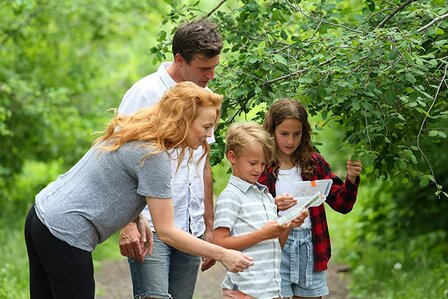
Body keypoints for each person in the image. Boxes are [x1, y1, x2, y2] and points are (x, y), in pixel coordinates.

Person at [24, 82, 253, 299]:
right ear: (184, 120)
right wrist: (222, 253)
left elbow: (112, 177)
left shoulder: (139, 129)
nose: (209, 133)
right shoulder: (153, 154)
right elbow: (167, 232)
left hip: (40, 216)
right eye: (205, 126)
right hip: (64, 231)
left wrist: (136, 216)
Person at [118, 17, 223, 299]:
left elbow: (204, 164)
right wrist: (129, 224)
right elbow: (119, 161)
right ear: (180, 59)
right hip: (150, 225)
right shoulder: (144, 93)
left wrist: (209, 229)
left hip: (190, 227)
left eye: (214, 68)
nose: (210, 76)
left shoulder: (207, 96)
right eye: (204, 68)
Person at [258, 99, 362, 299]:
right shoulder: (262, 165)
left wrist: (351, 179)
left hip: (310, 245)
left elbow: (342, 204)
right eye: (284, 134)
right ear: (271, 131)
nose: (291, 141)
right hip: (275, 246)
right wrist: (273, 204)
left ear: (304, 133)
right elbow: (249, 210)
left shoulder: (314, 163)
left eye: (297, 134)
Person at [213, 122, 309, 299]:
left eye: (263, 164)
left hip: (271, 290)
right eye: (252, 163)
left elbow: (275, 244)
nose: (258, 169)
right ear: (232, 157)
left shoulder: (265, 195)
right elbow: (218, 243)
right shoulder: (231, 196)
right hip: (245, 291)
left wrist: (288, 224)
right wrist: (262, 234)